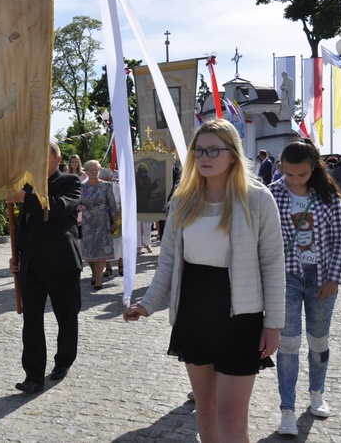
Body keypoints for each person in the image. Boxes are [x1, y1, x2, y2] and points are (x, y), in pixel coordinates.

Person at [124, 120, 285, 442]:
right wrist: (147, 304)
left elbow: (272, 264)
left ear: (233, 155)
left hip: (241, 315)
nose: (205, 157)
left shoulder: (257, 199)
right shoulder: (183, 199)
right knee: (206, 410)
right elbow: (168, 262)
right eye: (199, 151)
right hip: (194, 312)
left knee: (231, 415)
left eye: (214, 150)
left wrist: (274, 324)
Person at [269, 140, 341, 436]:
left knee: (318, 341)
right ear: (281, 169)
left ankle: (317, 393)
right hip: (285, 276)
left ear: (313, 168)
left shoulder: (329, 198)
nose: (295, 180)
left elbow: (339, 240)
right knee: (287, 344)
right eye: (289, 174)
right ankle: (287, 409)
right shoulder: (272, 193)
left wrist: (334, 279)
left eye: (301, 174)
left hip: (322, 276)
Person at [5, 142, 82, 393]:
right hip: (32, 266)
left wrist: (25, 198)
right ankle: (33, 376)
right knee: (32, 322)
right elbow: (24, 227)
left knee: (66, 318)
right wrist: (17, 256)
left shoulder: (69, 182)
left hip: (62, 264)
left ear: (57, 159)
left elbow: (58, 208)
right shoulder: (27, 187)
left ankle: (63, 361)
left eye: (43, 157)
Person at [80, 161, 117, 289]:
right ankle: (94, 274)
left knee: (101, 250)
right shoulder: (82, 187)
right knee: (89, 251)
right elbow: (76, 202)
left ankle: (99, 280)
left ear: (100, 171)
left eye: (96, 170)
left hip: (103, 221)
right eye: (90, 170)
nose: (93, 173)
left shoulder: (106, 186)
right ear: (86, 171)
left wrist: (115, 221)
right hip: (88, 222)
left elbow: (112, 205)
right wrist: (80, 206)